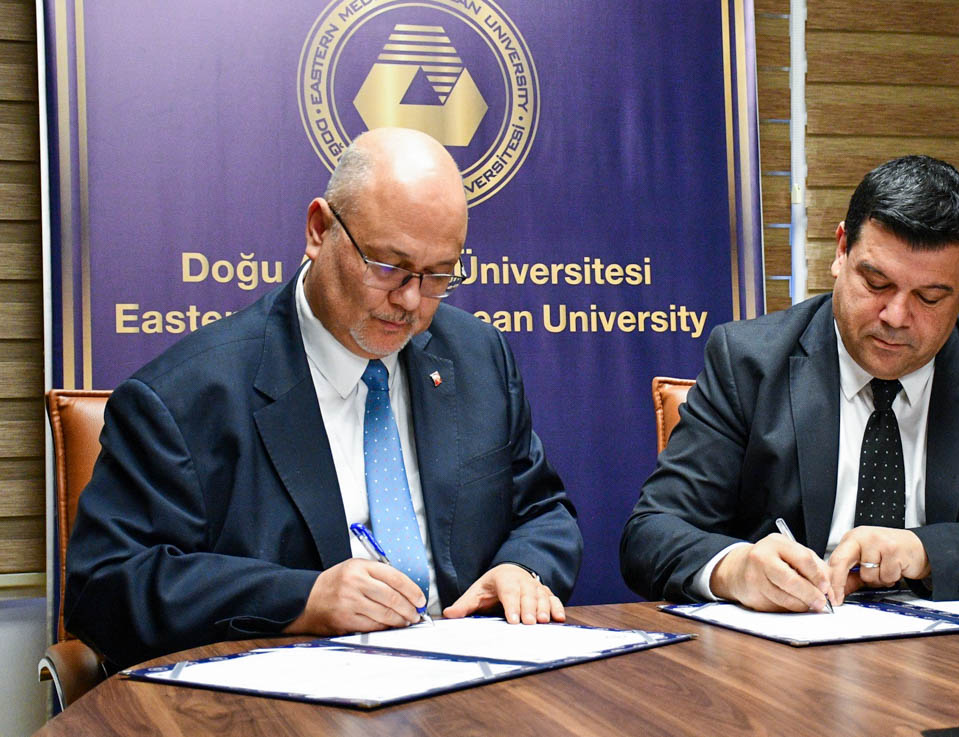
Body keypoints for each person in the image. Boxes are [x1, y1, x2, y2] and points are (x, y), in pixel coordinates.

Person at [65, 128, 583, 669]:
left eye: (437, 276)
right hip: (287, 693)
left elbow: (542, 510)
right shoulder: (186, 398)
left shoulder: (478, 357)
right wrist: (301, 600)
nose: (411, 300)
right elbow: (104, 587)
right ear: (319, 230)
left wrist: (521, 569)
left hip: (471, 678)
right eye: (388, 266)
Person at [621, 155, 959, 612]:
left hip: (956, 665)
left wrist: (927, 550)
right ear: (841, 250)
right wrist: (735, 569)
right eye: (876, 283)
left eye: (930, 298)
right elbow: (651, 533)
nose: (895, 316)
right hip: (787, 659)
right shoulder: (749, 363)